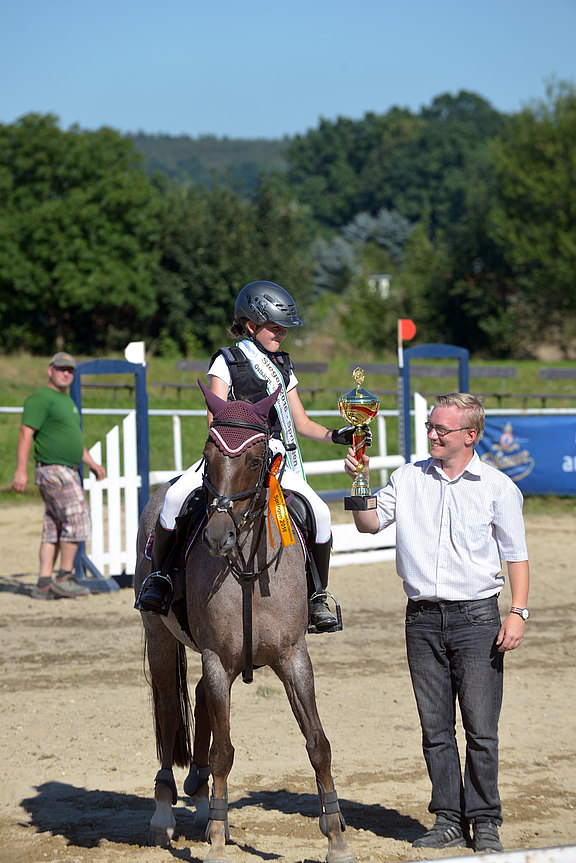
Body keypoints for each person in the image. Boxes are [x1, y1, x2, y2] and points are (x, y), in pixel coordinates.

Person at [344, 392, 530, 853]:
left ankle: (485, 819)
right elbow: (368, 524)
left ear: (470, 435)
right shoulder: (407, 478)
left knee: (482, 729)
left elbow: (516, 556)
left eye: (441, 430)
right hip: (422, 619)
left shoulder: (498, 487)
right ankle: (448, 817)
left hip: (477, 618)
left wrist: (518, 611)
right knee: (436, 729)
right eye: (430, 426)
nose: (431, 434)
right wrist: (360, 481)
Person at [136, 280, 368, 629]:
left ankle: (317, 597)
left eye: (284, 329)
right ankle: (160, 580)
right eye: (275, 327)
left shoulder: (283, 366)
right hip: (229, 455)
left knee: (319, 512)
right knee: (173, 500)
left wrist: (337, 434)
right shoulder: (226, 361)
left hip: (271, 458)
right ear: (250, 325)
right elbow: (215, 419)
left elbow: (300, 422)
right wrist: (235, 448)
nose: (282, 335)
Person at [12, 351, 107, 600]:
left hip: (67, 467)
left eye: (70, 370)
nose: (66, 373)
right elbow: (25, 433)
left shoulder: (66, 402)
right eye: (61, 368)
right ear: (50, 370)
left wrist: (93, 464)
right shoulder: (41, 399)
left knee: (53, 525)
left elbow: (73, 441)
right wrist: (20, 470)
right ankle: (64, 577)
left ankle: (44, 583)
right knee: (77, 517)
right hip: (54, 469)